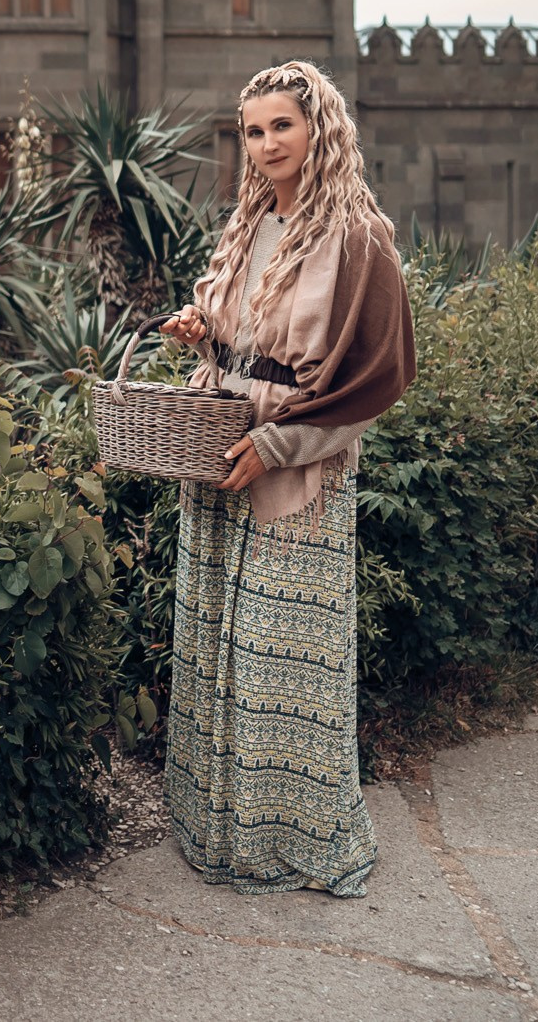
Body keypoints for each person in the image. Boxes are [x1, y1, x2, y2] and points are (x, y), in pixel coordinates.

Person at [156, 59, 416, 896]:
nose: (267, 144)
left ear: (320, 129)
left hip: (289, 471)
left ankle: (288, 839)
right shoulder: (250, 223)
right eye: (254, 130)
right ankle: (217, 831)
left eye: (282, 126)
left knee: (278, 665)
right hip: (216, 453)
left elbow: (373, 381)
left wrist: (277, 446)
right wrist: (197, 328)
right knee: (219, 648)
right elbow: (239, 338)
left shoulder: (358, 236)